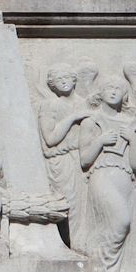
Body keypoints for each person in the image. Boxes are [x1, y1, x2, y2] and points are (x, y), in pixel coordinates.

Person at [77, 76, 136, 272]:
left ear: (125, 95)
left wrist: (133, 141)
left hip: (124, 178)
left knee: (122, 226)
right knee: (120, 221)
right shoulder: (92, 121)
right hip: (102, 175)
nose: (113, 92)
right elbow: (84, 159)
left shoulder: (132, 123)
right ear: (101, 92)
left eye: (118, 88)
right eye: (109, 87)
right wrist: (100, 141)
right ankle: (103, 271)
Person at [36, 65, 92, 250]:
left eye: (67, 77)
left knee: (83, 207)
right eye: (59, 80)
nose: (64, 82)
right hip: (61, 161)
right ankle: (65, 245)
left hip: (82, 159)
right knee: (66, 203)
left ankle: (77, 244)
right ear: (52, 85)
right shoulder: (49, 105)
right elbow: (51, 139)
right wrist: (72, 118)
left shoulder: (84, 103)